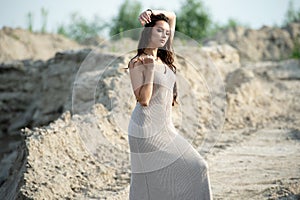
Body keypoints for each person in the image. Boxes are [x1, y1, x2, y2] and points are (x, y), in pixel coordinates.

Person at [126, 9, 213, 200]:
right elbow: (144, 100)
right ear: (148, 33)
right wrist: (149, 70)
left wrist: (151, 12)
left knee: (198, 166)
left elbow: (172, 15)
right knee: (149, 183)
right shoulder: (137, 62)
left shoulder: (164, 57)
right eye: (159, 31)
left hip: (166, 128)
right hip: (145, 130)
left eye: (167, 32)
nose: (165, 35)